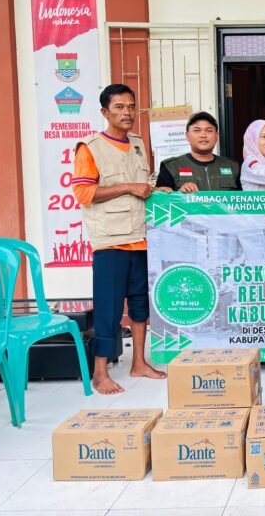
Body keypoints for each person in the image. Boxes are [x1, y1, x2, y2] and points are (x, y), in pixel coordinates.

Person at [72, 83, 167, 395]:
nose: (126, 113)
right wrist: (128, 186)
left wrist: (156, 189)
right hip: (111, 241)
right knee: (109, 308)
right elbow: (84, 193)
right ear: (104, 112)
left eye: (130, 107)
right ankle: (100, 373)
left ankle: (138, 362)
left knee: (140, 304)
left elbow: (142, 184)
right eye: (119, 108)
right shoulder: (91, 148)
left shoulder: (138, 144)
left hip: (141, 237)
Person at [155, 111, 240, 192]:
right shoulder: (171, 166)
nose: (203, 135)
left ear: (216, 135)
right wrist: (179, 193)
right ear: (187, 136)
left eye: (209, 130)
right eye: (197, 130)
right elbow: (161, 202)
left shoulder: (233, 167)